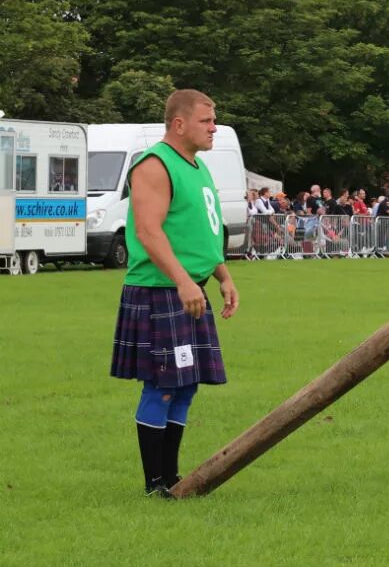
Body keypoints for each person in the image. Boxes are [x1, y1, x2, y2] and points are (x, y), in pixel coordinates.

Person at [109, 89, 240, 498]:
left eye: (213, 120)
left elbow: (199, 231)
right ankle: (154, 484)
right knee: (163, 385)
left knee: (186, 385)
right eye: (206, 120)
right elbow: (149, 231)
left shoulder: (196, 167)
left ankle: (172, 477)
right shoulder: (153, 166)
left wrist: (222, 275)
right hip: (161, 290)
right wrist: (184, 280)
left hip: (189, 286)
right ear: (179, 124)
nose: (213, 127)